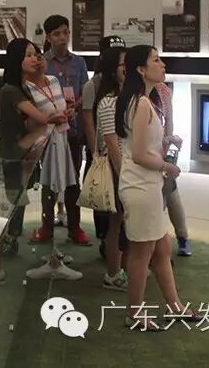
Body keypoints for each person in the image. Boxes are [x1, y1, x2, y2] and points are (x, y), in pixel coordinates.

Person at [115, 44, 194, 331]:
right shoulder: (141, 103)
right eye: (156, 60)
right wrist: (166, 166)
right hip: (141, 186)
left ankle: (175, 306)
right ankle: (134, 313)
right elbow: (138, 154)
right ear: (140, 69)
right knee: (142, 253)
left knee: (161, 249)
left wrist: (166, 143)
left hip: (147, 185)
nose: (163, 65)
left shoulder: (141, 102)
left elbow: (143, 146)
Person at [0, 39, 81, 281]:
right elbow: (44, 118)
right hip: (17, 154)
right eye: (29, 55)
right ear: (17, 60)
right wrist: (55, 116)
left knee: (26, 198)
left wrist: (58, 114)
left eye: (36, 54)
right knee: (11, 205)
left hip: (32, 151)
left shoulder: (27, 87)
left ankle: (11, 253)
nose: (35, 58)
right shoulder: (13, 89)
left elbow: (43, 118)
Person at [36, 14, 92, 246]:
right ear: (48, 37)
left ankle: (74, 227)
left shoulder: (79, 63)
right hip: (49, 130)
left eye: (65, 32)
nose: (62, 37)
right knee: (48, 179)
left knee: (73, 180)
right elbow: (36, 92)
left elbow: (85, 91)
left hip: (74, 129)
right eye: (57, 33)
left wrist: (75, 107)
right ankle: (46, 226)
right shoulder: (42, 62)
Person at [82, 34, 126, 254]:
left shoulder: (126, 86)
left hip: (118, 153)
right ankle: (105, 242)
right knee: (104, 197)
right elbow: (89, 122)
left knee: (119, 211)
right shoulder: (93, 86)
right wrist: (95, 153)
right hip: (104, 153)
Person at [92, 45, 130, 292]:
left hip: (128, 169)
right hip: (118, 170)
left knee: (123, 222)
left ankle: (122, 269)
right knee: (116, 222)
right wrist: (124, 174)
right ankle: (113, 273)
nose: (127, 68)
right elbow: (111, 144)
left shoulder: (129, 98)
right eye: (122, 64)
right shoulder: (108, 102)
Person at [154, 82, 193, 257]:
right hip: (146, 152)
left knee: (170, 192)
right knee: (161, 197)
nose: (163, 69)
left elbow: (169, 120)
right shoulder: (135, 90)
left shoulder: (163, 90)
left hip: (161, 150)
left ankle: (182, 237)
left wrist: (168, 142)